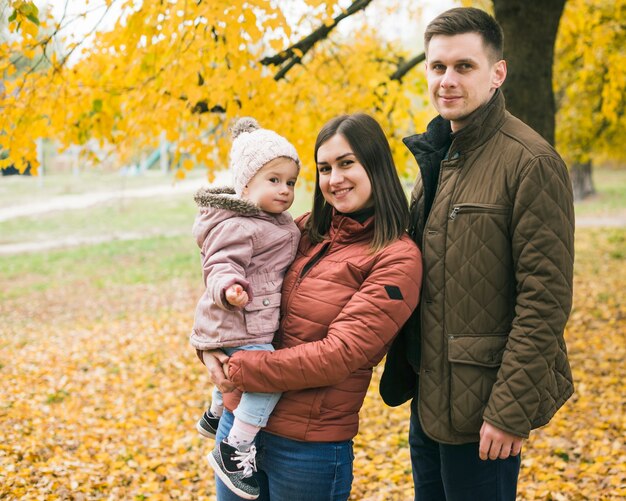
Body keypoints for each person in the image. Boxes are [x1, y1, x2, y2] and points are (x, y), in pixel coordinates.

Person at [379, 7, 575, 500]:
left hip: (485, 414)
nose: (446, 80)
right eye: (437, 66)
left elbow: (544, 303)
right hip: (429, 402)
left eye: (463, 66)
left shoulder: (530, 162)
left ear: (497, 73)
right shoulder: (442, 155)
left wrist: (508, 413)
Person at [199, 112, 423, 500]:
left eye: (346, 163)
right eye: (324, 168)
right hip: (238, 433)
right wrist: (208, 348)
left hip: (307, 449)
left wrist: (238, 367)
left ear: (376, 166)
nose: (334, 179)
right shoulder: (300, 230)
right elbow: (231, 276)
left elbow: (340, 355)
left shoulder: (396, 258)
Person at [190, 117, 301, 499]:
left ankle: (216, 411)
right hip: (237, 318)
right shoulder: (241, 224)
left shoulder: (273, 221)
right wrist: (230, 288)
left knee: (236, 371)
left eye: (290, 182)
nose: (285, 190)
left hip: (243, 320)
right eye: (274, 180)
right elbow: (219, 264)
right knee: (267, 375)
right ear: (246, 184)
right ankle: (235, 446)